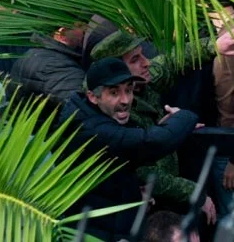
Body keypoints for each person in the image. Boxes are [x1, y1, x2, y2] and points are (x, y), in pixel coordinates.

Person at [62, 58, 200, 241]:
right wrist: (184, 116)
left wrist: (133, 194)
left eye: (128, 90)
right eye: (114, 92)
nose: (125, 100)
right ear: (92, 96)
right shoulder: (95, 131)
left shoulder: (89, 115)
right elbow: (155, 142)